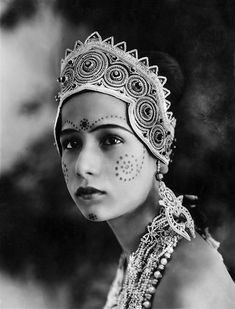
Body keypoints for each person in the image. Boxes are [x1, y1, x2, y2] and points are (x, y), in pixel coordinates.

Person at [54, 32, 235, 308]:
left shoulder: (187, 290)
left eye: (110, 140)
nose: (83, 165)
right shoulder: (137, 254)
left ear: (159, 151)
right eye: (71, 143)